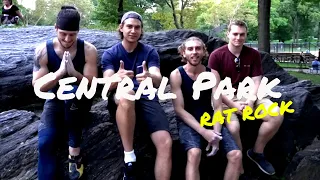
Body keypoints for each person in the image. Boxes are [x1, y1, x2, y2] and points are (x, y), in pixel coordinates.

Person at [101, 11, 172, 180]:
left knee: (166, 143)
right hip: (121, 98)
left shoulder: (150, 52)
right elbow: (106, 85)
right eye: (129, 27)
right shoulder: (110, 54)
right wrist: (117, 78)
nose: (133, 30)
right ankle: (129, 158)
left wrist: (150, 76)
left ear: (141, 30)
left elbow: (157, 78)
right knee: (128, 93)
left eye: (137, 27)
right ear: (121, 28)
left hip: (146, 97)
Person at [208, 20, 284, 176]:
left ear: (246, 35)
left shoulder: (253, 54)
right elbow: (215, 87)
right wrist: (233, 105)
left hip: (249, 92)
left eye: (242, 34)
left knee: (276, 114)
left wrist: (250, 100)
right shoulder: (216, 55)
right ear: (228, 34)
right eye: (235, 34)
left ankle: (257, 152)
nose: (238, 37)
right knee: (234, 128)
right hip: (224, 95)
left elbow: (257, 80)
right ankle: (239, 161)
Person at [32, 5, 98, 180]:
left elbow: (92, 86)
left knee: (71, 91)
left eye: (72, 34)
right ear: (55, 29)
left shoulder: (89, 50)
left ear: (78, 31)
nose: (68, 39)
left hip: (80, 100)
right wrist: (59, 73)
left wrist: (73, 73)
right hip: (55, 101)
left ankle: (74, 151)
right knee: (45, 143)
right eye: (63, 34)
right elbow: (37, 86)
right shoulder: (43, 51)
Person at [170, 36, 242, 180]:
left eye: (198, 48)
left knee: (236, 155)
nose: (194, 52)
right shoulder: (177, 74)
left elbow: (217, 106)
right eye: (190, 49)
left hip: (210, 118)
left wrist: (215, 133)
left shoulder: (212, 74)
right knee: (194, 153)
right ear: (183, 53)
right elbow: (179, 110)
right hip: (188, 121)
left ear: (204, 52)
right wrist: (204, 132)